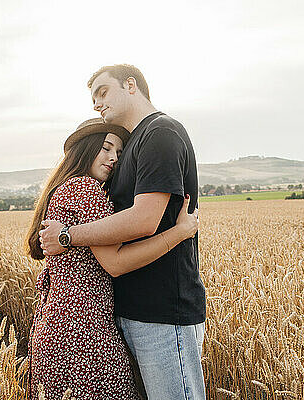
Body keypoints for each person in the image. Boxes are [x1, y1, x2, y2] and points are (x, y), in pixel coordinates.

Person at [40, 64, 207, 399]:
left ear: (131, 85)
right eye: (93, 98)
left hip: (162, 313)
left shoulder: (161, 133)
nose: (96, 103)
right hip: (126, 314)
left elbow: (143, 220)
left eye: (102, 92)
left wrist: (67, 236)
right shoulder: (132, 146)